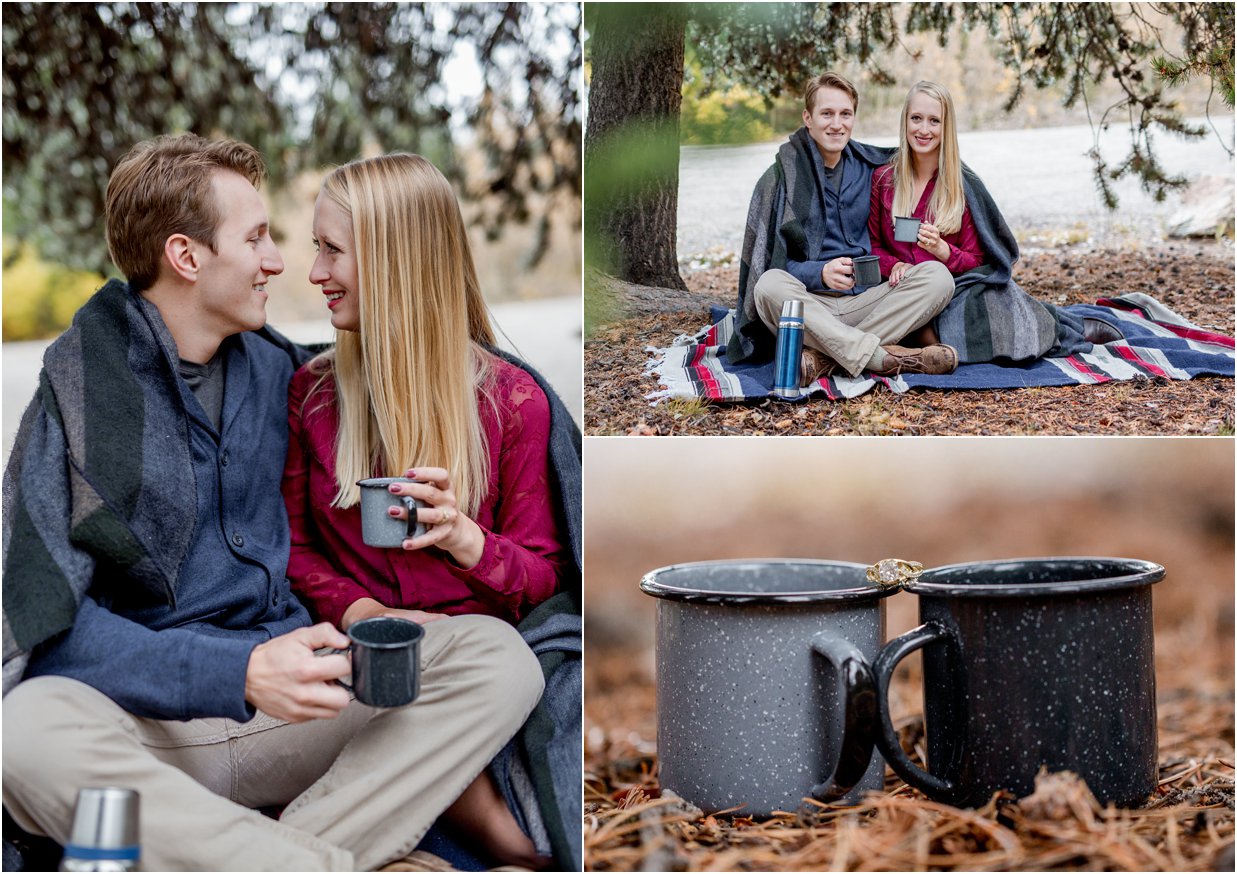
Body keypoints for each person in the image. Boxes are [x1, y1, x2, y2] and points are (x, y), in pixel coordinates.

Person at [1, 133, 544, 871]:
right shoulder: (83, 393)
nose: (278, 262)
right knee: (24, 729)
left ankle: (230, 855)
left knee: (496, 658)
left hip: (301, 706)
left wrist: (445, 521)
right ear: (187, 257)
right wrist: (235, 671)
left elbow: (400, 365)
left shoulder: (282, 376)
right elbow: (46, 625)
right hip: (150, 728)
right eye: (256, 237)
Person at [283, 153, 582, 868]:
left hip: (467, 667)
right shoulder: (313, 394)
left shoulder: (511, 403)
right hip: (355, 658)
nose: (315, 272)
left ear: (394, 261)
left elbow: (543, 576)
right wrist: (359, 614)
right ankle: (488, 839)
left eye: (332, 250)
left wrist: (466, 540)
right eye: (314, 248)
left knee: (501, 667)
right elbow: (291, 549)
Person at [727, 70, 959, 384]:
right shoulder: (782, 178)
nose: (837, 124)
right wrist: (819, 272)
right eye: (827, 114)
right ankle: (881, 357)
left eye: (845, 114)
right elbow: (771, 263)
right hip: (811, 304)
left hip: (868, 302)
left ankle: (825, 359)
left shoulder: (873, 169)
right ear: (808, 118)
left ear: (853, 117)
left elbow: (931, 161)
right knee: (769, 285)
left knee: (938, 278)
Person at [871, 81, 1099, 362]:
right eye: (916, 118)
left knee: (995, 314)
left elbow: (978, 259)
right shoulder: (883, 180)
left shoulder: (960, 187)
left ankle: (1055, 327)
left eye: (934, 121)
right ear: (905, 121)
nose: (924, 129)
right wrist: (895, 264)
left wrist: (944, 251)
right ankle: (926, 348)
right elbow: (871, 244)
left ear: (946, 127)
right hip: (901, 291)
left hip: (955, 289)